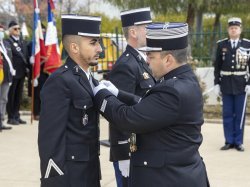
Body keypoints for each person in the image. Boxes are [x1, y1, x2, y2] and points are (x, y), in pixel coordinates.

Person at [93, 22, 210, 187]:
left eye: (151, 56)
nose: (147, 61)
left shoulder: (172, 90)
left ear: (168, 59)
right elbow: (149, 107)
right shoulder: (185, 79)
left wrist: (100, 95)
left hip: (168, 179)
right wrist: (118, 94)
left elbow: (128, 118)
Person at [38, 14, 102, 187]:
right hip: (70, 177)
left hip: (89, 172)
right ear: (74, 47)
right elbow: (50, 138)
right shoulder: (60, 81)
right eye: (93, 43)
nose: (100, 49)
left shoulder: (88, 79)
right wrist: (54, 180)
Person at [108, 7, 155, 187]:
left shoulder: (144, 60)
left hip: (146, 147)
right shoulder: (126, 65)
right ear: (133, 32)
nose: (150, 31)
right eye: (146, 27)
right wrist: (123, 154)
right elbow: (118, 112)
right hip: (132, 151)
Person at [213, 17, 250, 152]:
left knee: (239, 114)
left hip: (241, 84)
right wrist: (216, 83)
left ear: (240, 30)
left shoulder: (247, 45)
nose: (233, 30)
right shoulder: (221, 45)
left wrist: (249, 83)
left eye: (236, 28)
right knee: (227, 114)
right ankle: (229, 141)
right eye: (231, 28)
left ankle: (238, 142)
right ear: (228, 30)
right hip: (226, 84)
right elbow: (217, 66)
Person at [6, 20, 29, 125]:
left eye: (19, 28)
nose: (18, 30)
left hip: (22, 72)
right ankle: (11, 117)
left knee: (18, 96)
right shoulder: (8, 42)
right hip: (13, 72)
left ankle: (16, 115)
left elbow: (25, 56)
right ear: (10, 31)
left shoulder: (22, 41)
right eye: (15, 29)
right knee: (11, 95)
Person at [0, 24, 14, 131]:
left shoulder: (6, 43)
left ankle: (1, 120)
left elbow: (10, 58)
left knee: (4, 99)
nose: (1, 33)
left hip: (6, 76)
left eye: (2, 31)